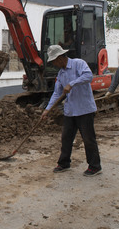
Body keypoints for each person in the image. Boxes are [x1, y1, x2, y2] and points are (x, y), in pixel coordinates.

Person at [41, 45, 102, 176]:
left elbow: (88, 76)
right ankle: (64, 163)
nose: (54, 64)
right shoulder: (61, 74)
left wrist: (72, 83)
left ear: (60, 57)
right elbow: (57, 94)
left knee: (88, 139)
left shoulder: (78, 64)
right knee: (66, 138)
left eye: (54, 61)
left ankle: (94, 166)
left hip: (84, 109)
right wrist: (47, 110)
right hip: (70, 111)